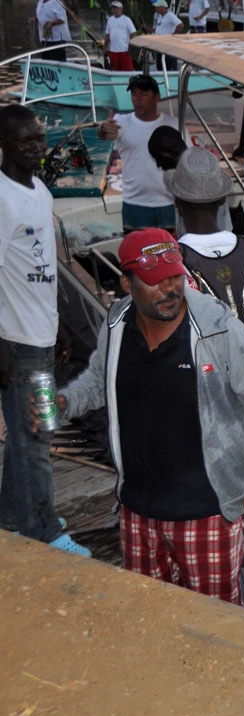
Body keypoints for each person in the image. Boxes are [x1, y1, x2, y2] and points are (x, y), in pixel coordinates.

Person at [56, 228, 244, 604]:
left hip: (206, 513)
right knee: (151, 618)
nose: (170, 289)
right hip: (136, 512)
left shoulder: (219, 329)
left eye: (175, 276)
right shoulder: (117, 324)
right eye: (154, 281)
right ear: (126, 282)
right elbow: (101, 380)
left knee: (216, 627)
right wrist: (66, 402)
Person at [0, 106, 90, 558]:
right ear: (4, 145)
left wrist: (58, 325)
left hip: (41, 332)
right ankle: (45, 531)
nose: (36, 148)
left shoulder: (38, 189)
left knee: (26, 437)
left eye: (39, 139)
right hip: (15, 341)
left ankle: (10, 520)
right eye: (25, 142)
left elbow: (43, 266)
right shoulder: (1, 197)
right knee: (38, 435)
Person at [165, 147, 244, 352]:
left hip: (195, 377)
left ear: (177, 201)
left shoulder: (171, 259)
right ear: (223, 199)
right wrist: (239, 357)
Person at [97, 75, 179, 233]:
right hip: (134, 204)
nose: (138, 99)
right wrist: (102, 129)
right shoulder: (122, 122)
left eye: (144, 94)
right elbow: (105, 133)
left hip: (168, 204)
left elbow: (187, 158)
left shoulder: (173, 124)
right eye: (134, 94)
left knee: (169, 254)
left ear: (157, 97)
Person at [147, 128, 233, 235]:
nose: (158, 165)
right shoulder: (183, 173)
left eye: (159, 158)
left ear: (171, 152)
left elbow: (210, 226)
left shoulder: (200, 174)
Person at [143, 0, 183, 70]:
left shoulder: (170, 15)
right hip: (160, 43)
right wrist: (146, 28)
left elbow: (180, 25)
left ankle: (171, 71)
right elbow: (158, 29)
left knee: (168, 61)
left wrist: (173, 35)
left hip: (167, 43)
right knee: (160, 61)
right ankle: (161, 71)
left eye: (157, 7)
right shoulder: (160, 16)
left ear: (162, 7)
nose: (156, 9)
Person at [104, 1, 137, 72]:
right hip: (113, 51)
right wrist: (105, 47)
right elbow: (107, 35)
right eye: (113, 8)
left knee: (127, 71)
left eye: (117, 8)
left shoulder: (127, 20)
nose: (115, 10)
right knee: (114, 71)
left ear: (121, 9)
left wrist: (133, 48)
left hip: (125, 51)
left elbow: (133, 34)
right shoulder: (110, 20)